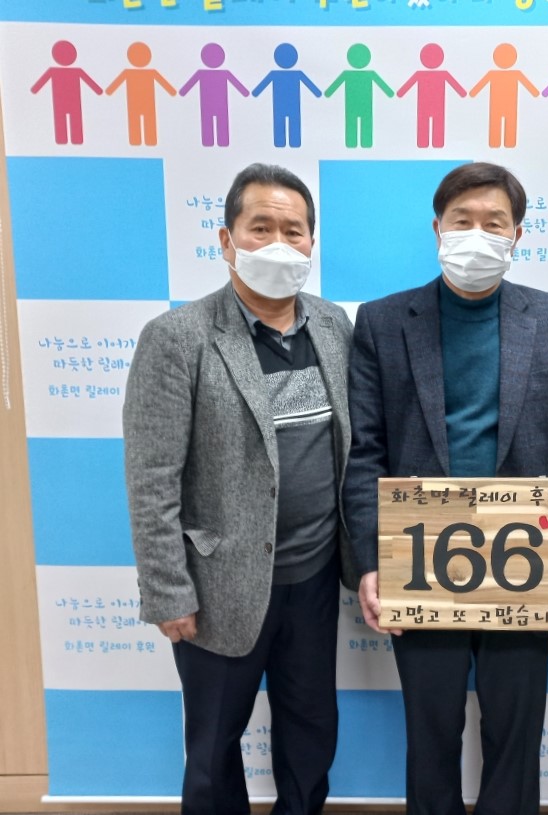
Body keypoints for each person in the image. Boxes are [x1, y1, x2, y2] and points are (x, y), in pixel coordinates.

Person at [344, 161, 548, 815]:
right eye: (463, 221)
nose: (477, 235)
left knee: (517, 733)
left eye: (494, 222)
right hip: (420, 555)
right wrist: (371, 561)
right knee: (430, 734)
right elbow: (366, 452)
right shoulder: (381, 322)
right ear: (437, 229)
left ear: (518, 235)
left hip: (528, 556)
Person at [123, 163, 357, 815]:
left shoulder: (333, 326)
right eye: (261, 227)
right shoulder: (178, 338)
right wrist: (168, 590)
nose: (279, 243)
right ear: (227, 240)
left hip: (314, 578)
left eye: (293, 230)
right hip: (218, 586)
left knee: (311, 732)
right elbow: (151, 479)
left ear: (311, 242)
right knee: (213, 747)